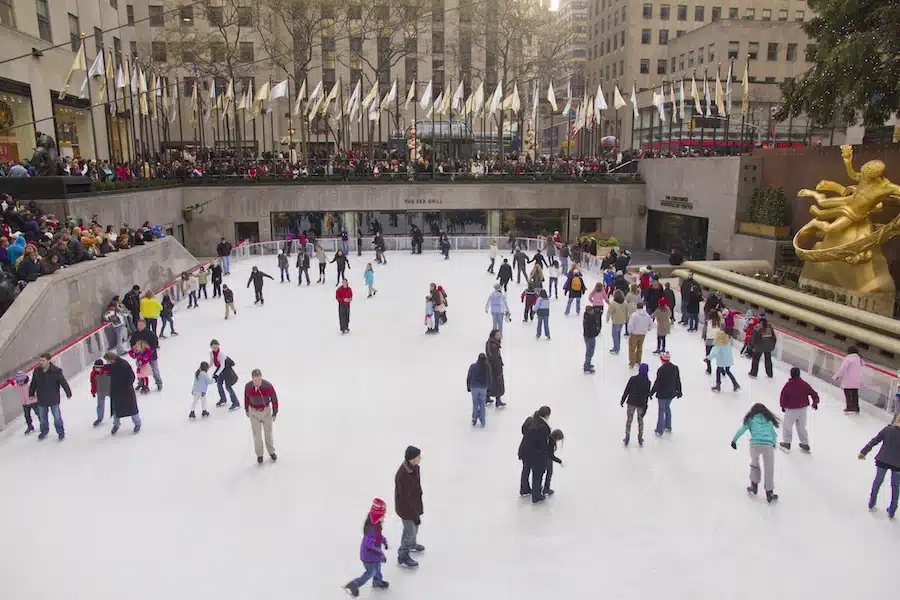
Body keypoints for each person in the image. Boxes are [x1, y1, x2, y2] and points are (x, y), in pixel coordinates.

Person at [731, 403, 780, 503]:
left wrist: (734, 440)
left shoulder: (750, 419)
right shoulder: (768, 419)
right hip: (767, 445)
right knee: (769, 468)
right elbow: (773, 434)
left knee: (755, 465)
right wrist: (773, 443)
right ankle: (769, 492)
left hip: (755, 445)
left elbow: (741, 430)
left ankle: (754, 485)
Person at [343, 499, 390, 597]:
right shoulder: (372, 529)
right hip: (369, 556)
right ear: (377, 516)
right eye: (382, 515)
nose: (384, 516)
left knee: (377, 568)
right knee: (370, 572)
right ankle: (354, 585)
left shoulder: (376, 525)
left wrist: (384, 540)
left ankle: (377, 581)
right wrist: (380, 554)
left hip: (375, 555)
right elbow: (370, 546)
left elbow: (378, 537)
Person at [858, 413, 900, 518]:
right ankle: (892, 509)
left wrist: (864, 452)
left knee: (878, 481)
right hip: (897, 464)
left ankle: (872, 502)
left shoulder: (888, 429)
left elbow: (875, 440)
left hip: (882, 460)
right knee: (895, 486)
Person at [29, 353, 72, 440]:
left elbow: (63, 382)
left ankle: (60, 432)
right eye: (40, 360)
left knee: (57, 417)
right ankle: (44, 431)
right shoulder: (37, 371)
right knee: (43, 417)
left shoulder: (56, 371)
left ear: (49, 361)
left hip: (53, 398)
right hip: (41, 398)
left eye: (43, 360)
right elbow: (33, 383)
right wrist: (31, 393)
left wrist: (68, 393)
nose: (41, 362)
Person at [395, 446, 424, 568]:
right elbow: (406, 498)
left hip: (414, 504)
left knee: (415, 527)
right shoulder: (403, 475)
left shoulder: (414, 468)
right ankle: (403, 554)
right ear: (411, 459)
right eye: (418, 457)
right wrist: (414, 514)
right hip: (406, 509)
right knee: (409, 531)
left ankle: (412, 544)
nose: (420, 459)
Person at [779, 367, 819, 452]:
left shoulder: (788, 385)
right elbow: (814, 393)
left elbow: (783, 396)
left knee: (787, 426)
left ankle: (787, 443)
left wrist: (783, 406)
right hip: (803, 409)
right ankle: (805, 443)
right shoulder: (804, 384)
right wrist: (815, 402)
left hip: (791, 409)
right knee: (801, 426)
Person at [244, 369, 278, 464]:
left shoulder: (268, 386)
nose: (257, 382)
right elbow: (246, 398)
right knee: (257, 435)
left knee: (268, 433)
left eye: (259, 380)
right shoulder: (248, 386)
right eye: (255, 380)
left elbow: (274, 399)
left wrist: (274, 413)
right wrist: (247, 409)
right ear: (252, 379)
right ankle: (259, 454)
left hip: (266, 412)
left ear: (261, 377)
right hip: (254, 412)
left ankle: (271, 452)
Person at [519, 407, 552, 503]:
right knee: (537, 474)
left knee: (526, 470)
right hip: (536, 454)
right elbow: (543, 444)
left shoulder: (530, 420)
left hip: (524, 450)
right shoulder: (544, 428)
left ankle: (524, 489)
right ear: (547, 415)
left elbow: (523, 430)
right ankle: (536, 495)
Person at [104, 352, 142, 434]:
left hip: (126, 391)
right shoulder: (113, 365)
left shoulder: (124, 365)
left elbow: (131, 376)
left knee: (132, 408)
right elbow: (109, 369)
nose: (108, 363)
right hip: (116, 391)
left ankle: (137, 423)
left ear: (112, 359)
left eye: (108, 361)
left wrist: (128, 385)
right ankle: (116, 424)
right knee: (116, 409)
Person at [650, 352, 682, 436]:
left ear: (662, 359)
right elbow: (677, 380)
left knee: (661, 410)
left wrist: (651, 393)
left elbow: (657, 383)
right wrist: (679, 391)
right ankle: (668, 426)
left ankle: (659, 430)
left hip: (662, 393)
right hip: (671, 393)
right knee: (667, 408)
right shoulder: (675, 368)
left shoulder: (661, 369)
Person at [621, 363, 651, 446]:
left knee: (629, 420)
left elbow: (627, 390)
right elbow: (646, 396)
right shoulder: (648, 382)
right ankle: (640, 438)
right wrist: (645, 407)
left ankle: (627, 437)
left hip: (631, 402)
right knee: (640, 421)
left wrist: (623, 399)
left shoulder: (633, 379)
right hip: (641, 404)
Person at [129, 319, 162, 391]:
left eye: (141, 325)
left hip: (152, 356)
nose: (139, 327)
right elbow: (132, 343)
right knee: (140, 371)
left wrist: (149, 353)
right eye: (138, 325)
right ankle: (141, 383)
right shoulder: (135, 334)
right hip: (140, 357)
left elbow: (155, 344)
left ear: (144, 325)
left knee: (155, 370)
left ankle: (159, 383)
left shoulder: (151, 334)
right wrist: (135, 351)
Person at [210, 339, 239, 409]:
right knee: (219, 384)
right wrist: (204, 369)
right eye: (213, 347)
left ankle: (236, 403)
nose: (215, 348)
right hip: (220, 371)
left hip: (227, 371)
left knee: (228, 387)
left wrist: (216, 374)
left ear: (218, 346)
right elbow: (211, 363)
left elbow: (222, 365)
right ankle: (223, 399)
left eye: (216, 347)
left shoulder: (221, 354)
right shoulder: (211, 353)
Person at [834, 346, 864, 413]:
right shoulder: (859, 358)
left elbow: (843, 368)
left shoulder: (848, 358)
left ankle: (849, 406)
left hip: (849, 379)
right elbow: (863, 364)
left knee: (847, 393)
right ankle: (856, 407)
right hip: (857, 379)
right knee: (854, 393)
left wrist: (837, 375)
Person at [466, 353, 492, 426]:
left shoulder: (473, 366)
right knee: (482, 403)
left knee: (475, 403)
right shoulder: (487, 367)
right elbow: (490, 378)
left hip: (474, 387)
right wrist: (489, 388)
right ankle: (482, 419)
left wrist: (468, 386)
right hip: (483, 387)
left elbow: (469, 376)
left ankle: (474, 418)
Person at [626, 302, 653, 370]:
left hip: (634, 333)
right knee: (640, 348)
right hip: (643, 334)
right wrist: (647, 329)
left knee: (632, 348)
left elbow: (631, 325)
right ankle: (638, 361)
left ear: (637, 307)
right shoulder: (647, 315)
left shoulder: (634, 315)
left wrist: (630, 332)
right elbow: (650, 324)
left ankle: (632, 362)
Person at [485, 329, 506, 407]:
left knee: (490, 383)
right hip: (494, 367)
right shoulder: (493, 345)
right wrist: (498, 368)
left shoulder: (491, 343)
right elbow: (494, 358)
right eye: (497, 335)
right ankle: (498, 400)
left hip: (491, 366)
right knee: (497, 383)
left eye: (499, 334)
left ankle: (487, 398)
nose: (499, 336)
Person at [542, 429, 565, 497]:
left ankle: (544, 488)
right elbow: (551, 455)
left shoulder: (549, 438)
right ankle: (546, 489)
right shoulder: (551, 442)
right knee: (549, 473)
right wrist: (559, 461)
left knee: (547, 473)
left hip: (546, 457)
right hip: (547, 459)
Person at [89, 359, 111, 427]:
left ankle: (117, 416)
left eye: (98, 367)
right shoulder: (93, 373)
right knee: (100, 405)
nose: (96, 368)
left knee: (114, 402)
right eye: (95, 367)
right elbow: (93, 383)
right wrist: (93, 391)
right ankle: (99, 418)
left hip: (109, 389)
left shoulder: (107, 370)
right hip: (100, 390)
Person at [606, 289, 628, 355]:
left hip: (616, 321)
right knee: (618, 335)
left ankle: (616, 349)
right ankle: (617, 347)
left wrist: (607, 318)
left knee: (614, 335)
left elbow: (609, 312)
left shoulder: (613, 303)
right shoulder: (625, 302)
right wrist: (626, 319)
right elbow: (627, 312)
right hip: (622, 321)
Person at [582, 305, 601, 373]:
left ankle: (588, 363)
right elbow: (592, 328)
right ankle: (586, 366)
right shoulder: (590, 318)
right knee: (590, 351)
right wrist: (596, 332)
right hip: (590, 337)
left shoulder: (587, 317)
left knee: (590, 351)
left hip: (589, 336)